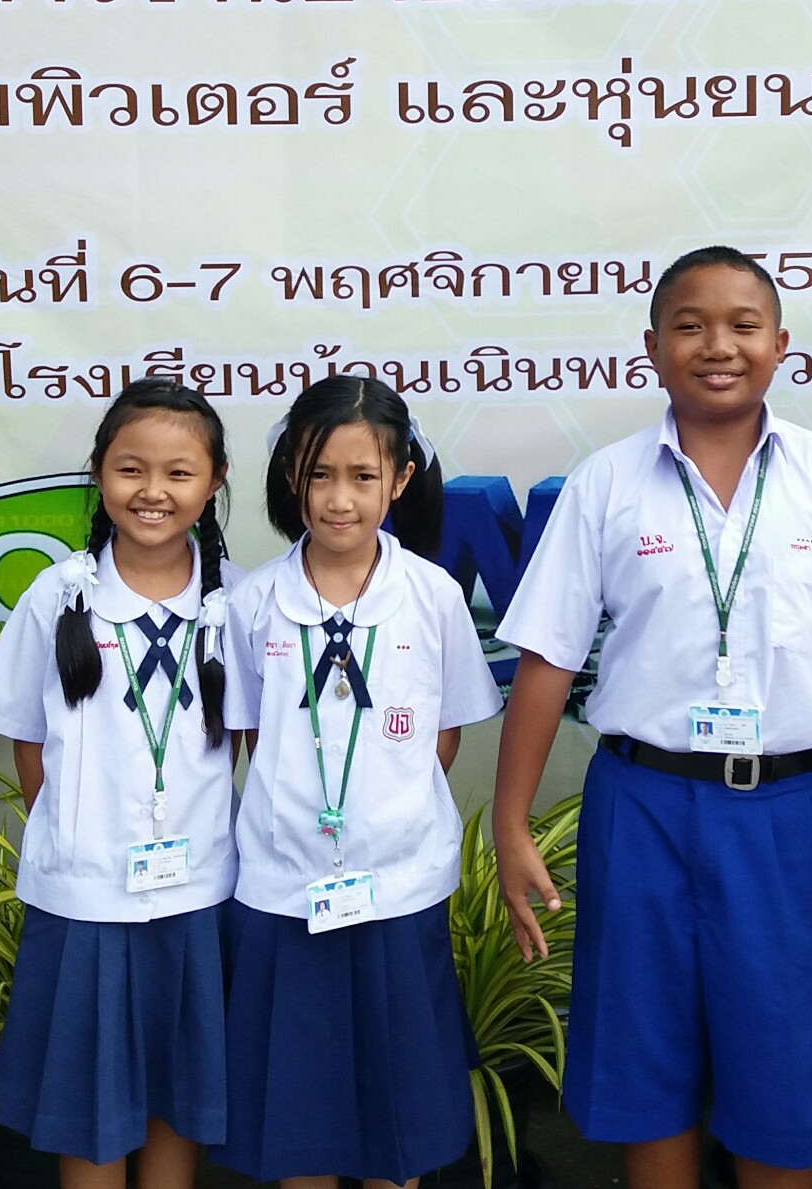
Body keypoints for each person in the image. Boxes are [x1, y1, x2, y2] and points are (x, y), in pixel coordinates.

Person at [492, 246, 812, 1189]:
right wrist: (510, 821)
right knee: (644, 1068)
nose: (718, 345)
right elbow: (546, 657)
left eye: (743, 325)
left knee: (787, 1082)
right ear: (652, 347)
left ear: (781, 344)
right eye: (690, 325)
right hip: (641, 805)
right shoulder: (606, 483)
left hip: (787, 814)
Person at [217, 375, 504, 1189]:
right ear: (290, 475)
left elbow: (443, 733)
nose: (339, 498)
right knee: (298, 1117)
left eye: (363, 476)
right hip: (283, 889)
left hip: (398, 887)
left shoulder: (434, 596)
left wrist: (377, 815)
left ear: (401, 479)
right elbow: (250, 735)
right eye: (318, 474)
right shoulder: (252, 602)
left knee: (394, 1117)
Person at [0, 379, 240, 1189]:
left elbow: (253, 743)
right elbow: (28, 737)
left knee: (177, 1092)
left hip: (197, 891)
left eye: (179, 472)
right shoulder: (58, 594)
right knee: (92, 1100)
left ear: (214, 481)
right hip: (84, 897)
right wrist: (73, 839)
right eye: (131, 468)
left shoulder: (237, 601)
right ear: (99, 472)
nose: (153, 490)